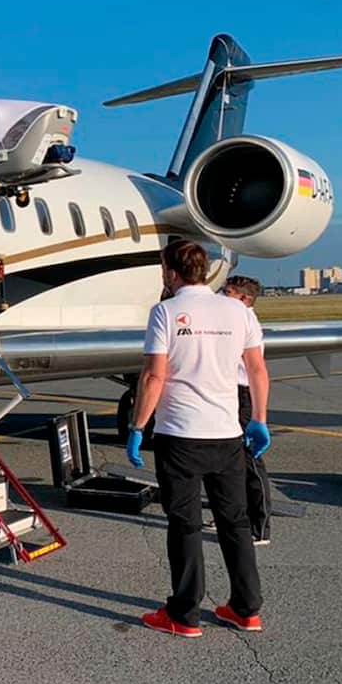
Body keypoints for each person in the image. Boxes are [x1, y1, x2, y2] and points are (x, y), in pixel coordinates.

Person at [125, 240, 271, 637]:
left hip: (180, 436)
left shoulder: (166, 312)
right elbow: (256, 370)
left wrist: (138, 427)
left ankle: (184, 613)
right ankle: (246, 608)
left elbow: (155, 376)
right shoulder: (237, 311)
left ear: (171, 272)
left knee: (185, 525)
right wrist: (258, 419)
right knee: (235, 523)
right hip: (227, 435)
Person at [223, 275, 272, 545]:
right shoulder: (235, 318)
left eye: (227, 292)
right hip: (231, 394)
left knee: (250, 461)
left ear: (244, 299)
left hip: (244, 395)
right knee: (232, 460)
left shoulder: (246, 322)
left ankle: (260, 525)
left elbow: (256, 369)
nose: (221, 295)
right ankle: (240, 515)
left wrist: (258, 416)